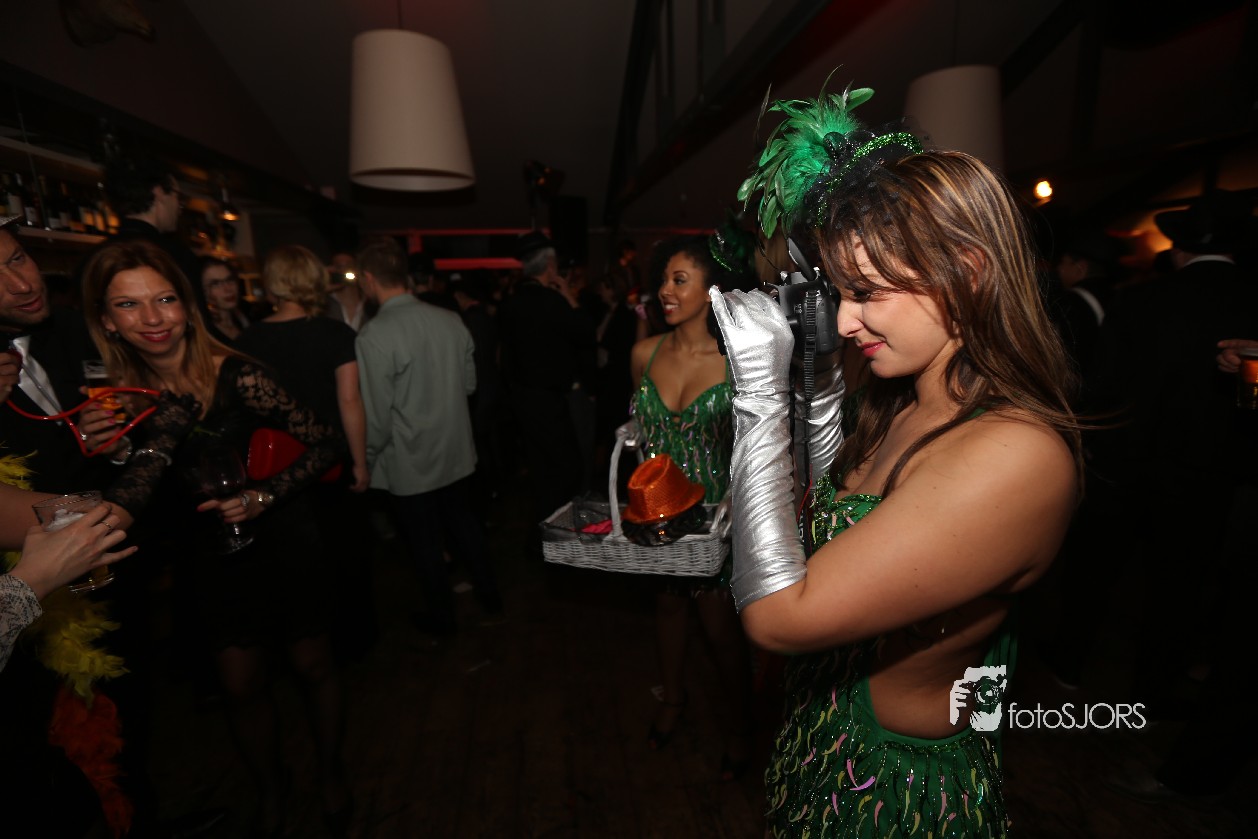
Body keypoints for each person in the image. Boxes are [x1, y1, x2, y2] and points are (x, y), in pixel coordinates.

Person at [710, 83, 1082, 836]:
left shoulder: (1015, 454)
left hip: (895, 795)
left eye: (868, 292)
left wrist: (757, 394)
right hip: (819, 749)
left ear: (967, 272)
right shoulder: (903, 401)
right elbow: (820, 522)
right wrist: (817, 387)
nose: (846, 319)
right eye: (841, 292)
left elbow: (781, 616)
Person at [79, 239, 352, 836]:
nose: (151, 318)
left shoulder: (240, 375)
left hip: (282, 536)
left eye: (164, 299)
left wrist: (263, 496)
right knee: (239, 685)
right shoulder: (114, 399)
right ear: (107, 320)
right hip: (207, 552)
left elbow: (328, 444)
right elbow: (137, 495)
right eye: (128, 304)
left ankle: (331, 773)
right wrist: (115, 451)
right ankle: (271, 790)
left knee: (312, 664)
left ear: (187, 307)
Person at [628, 232, 757, 780]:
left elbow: (756, 447)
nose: (665, 290)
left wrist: (736, 502)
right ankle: (673, 699)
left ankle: (741, 724)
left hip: (714, 519)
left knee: (720, 629)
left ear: (711, 291)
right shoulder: (644, 354)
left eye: (679, 280)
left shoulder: (735, 364)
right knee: (667, 610)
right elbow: (639, 430)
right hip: (659, 511)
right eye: (663, 279)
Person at [235, 244, 377, 660]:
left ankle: (298, 645)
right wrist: (360, 463)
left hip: (275, 469)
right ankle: (350, 642)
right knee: (343, 553)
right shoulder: (335, 334)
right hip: (329, 460)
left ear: (272, 284)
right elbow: (349, 401)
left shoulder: (248, 338)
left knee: (291, 563)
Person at [355, 238, 503, 636]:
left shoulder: (374, 335)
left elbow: (377, 416)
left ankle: (443, 618)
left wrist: (365, 459)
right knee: (465, 526)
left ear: (368, 279)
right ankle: (490, 596)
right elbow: (469, 386)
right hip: (455, 449)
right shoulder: (450, 320)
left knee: (423, 542)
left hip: (411, 458)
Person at [496, 231, 596, 556]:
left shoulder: (509, 304)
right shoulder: (552, 301)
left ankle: (542, 537)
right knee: (568, 468)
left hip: (521, 398)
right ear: (550, 265)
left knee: (542, 467)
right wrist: (568, 294)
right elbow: (586, 333)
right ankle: (552, 536)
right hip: (548, 400)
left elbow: (504, 356)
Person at [195, 256, 253, 344]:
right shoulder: (203, 333)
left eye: (230, 280)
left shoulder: (247, 318)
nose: (228, 288)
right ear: (202, 291)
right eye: (216, 284)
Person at [326, 251, 371, 332]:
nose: (344, 270)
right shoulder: (324, 303)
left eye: (349, 266)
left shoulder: (370, 304)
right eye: (339, 266)